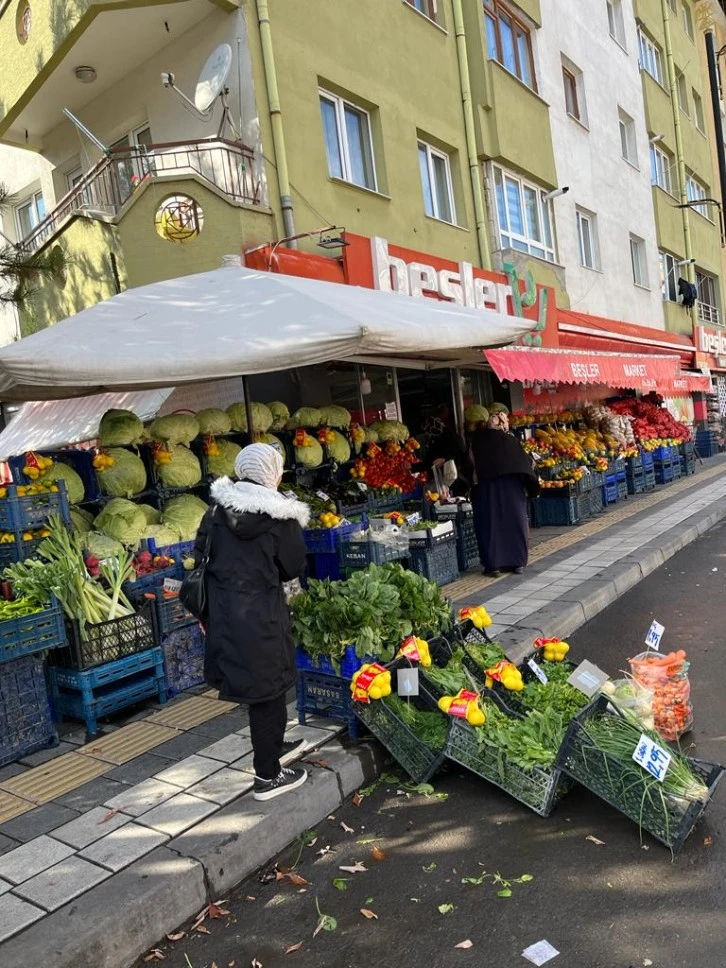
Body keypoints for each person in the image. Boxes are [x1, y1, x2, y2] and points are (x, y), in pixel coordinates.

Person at [194, 443, 311, 802]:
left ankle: (273, 744)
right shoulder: (281, 516)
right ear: (272, 472)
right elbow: (292, 566)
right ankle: (268, 776)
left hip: (225, 613)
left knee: (261, 687)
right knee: (269, 690)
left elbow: (200, 556)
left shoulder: (215, 509)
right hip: (261, 612)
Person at [470, 412, 540, 578]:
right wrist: (533, 490)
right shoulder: (511, 441)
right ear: (502, 424)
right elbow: (527, 465)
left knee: (490, 525)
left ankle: (493, 565)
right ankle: (517, 563)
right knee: (515, 522)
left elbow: (470, 468)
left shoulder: (477, 443)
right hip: (513, 489)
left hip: (487, 491)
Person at [421, 403, 473, 498]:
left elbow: (460, 453)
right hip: (446, 477)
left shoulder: (448, 435)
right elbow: (429, 461)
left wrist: (445, 459)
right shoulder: (436, 437)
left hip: (454, 475)